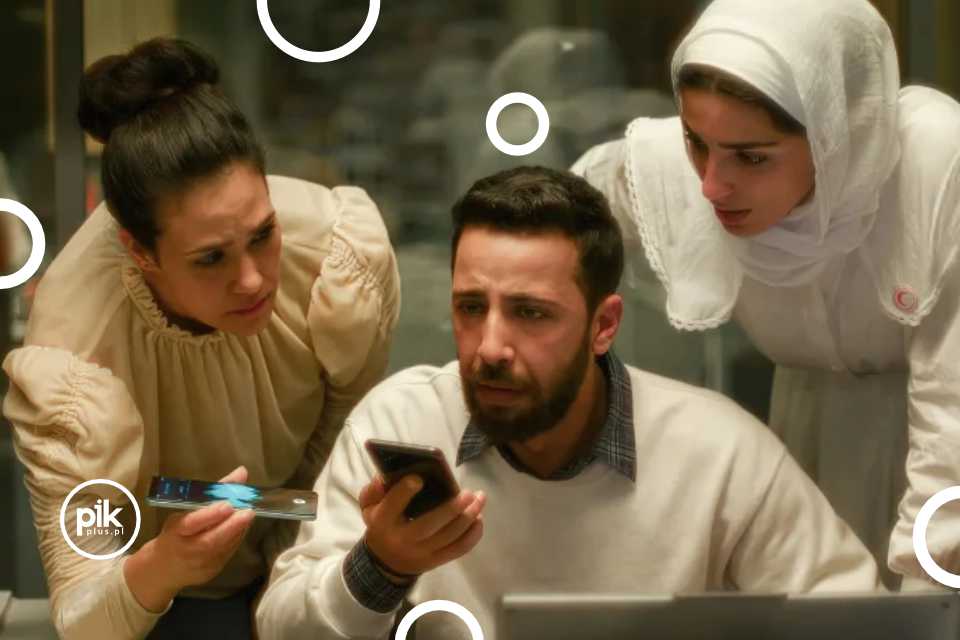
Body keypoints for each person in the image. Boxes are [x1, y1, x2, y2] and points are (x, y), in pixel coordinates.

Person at [255, 167, 881, 640]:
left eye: (530, 313)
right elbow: (280, 629)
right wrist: (380, 567)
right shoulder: (404, 421)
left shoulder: (719, 453)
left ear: (604, 325)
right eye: (470, 307)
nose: (489, 348)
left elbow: (860, 620)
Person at [1, 38, 400, 638]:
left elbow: (335, 445)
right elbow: (84, 614)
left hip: (303, 566)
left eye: (263, 234)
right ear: (140, 252)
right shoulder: (74, 351)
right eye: (211, 258)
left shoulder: (332, 256)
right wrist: (165, 565)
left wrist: (289, 572)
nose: (253, 279)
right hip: (152, 606)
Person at [572, 0, 960, 589]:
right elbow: (553, 221)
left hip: (936, 466)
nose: (711, 185)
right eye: (695, 142)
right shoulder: (684, 166)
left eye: (752, 158)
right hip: (801, 443)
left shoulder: (936, 162)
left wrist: (925, 606)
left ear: (834, 134)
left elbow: (950, 417)